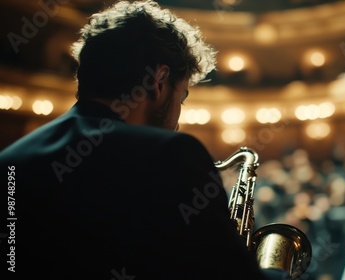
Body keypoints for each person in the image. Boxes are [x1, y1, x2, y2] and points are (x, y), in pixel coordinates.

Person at [0, 1, 290, 279]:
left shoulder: (10, 162)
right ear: (158, 81)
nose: (178, 117)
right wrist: (276, 270)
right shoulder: (173, 155)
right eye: (182, 97)